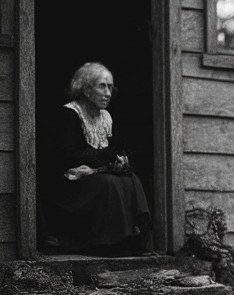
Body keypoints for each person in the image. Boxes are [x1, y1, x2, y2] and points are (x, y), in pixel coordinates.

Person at [44, 62, 153, 255]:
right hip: (72, 182)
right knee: (109, 183)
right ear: (86, 89)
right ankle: (108, 243)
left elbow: (115, 148)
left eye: (110, 87)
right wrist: (107, 161)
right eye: (102, 86)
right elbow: (70, 155)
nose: (108, 93)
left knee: (131, 179)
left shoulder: (105, 117)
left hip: (96, 173)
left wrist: (120, 160)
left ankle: (134, 240)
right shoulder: (70, 114)